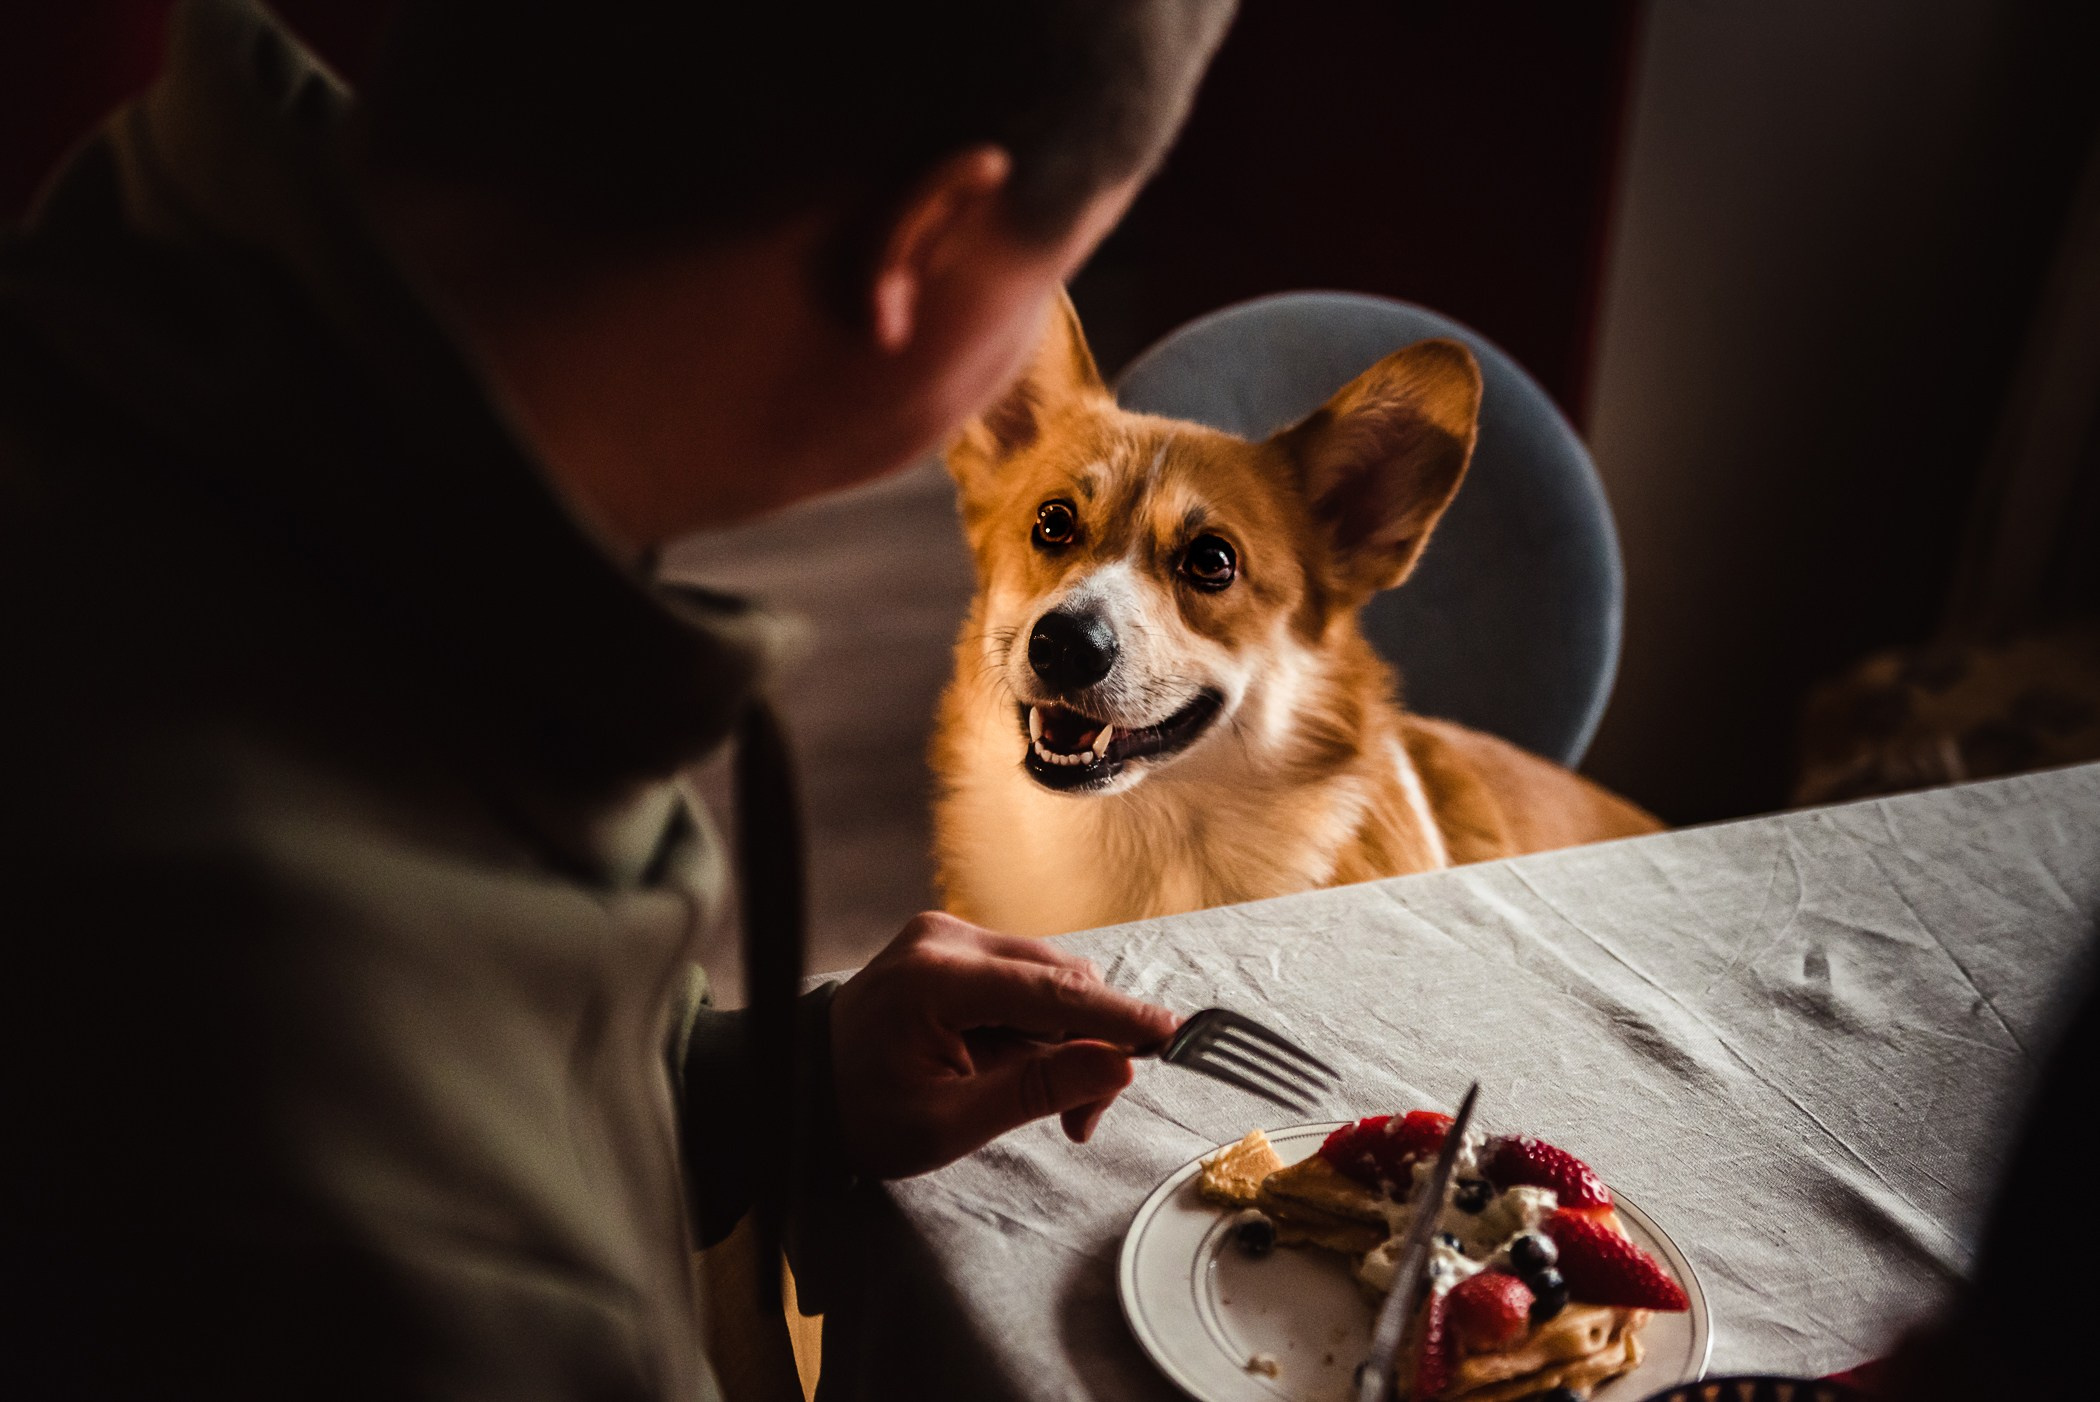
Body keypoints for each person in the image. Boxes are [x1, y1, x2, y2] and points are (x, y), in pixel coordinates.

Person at [0, 0, 1237, 1397]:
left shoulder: (145, 317)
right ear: (927, 244)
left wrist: (763, 1084)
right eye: (1054, 279)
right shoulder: (438, 1270)